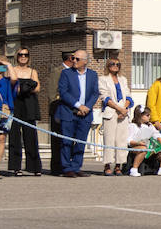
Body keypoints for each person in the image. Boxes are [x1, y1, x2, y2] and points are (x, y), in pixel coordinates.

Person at [55, 49, 101, 177]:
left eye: (77, 59)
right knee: (67, 142)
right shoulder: (66, 73)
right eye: (73, 58)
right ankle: (66, 168)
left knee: (81, 142)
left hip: (85, 114)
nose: (73, 61)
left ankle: (76, 166)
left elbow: (95, 93)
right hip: (69, 112)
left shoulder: (93, 74)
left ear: (85, 61)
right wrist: (78, 105)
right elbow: (63, 92)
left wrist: (86, 107)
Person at [7, 47, 40, 176]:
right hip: (15, 104)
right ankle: (16, 167)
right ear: (17, 56)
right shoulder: (11, 70)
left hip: (29, 104)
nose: (23, 57)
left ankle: (34, 167)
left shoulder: (33, 71)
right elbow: (1, 75)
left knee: (31, 136)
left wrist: (25, 89)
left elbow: (38, 88)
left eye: (25, 55)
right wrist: (5, 64)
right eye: (20, 54)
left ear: (28, 57)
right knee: (15, 136)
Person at [98, 56, 132, 175]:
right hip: (111, 112)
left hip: (123, 113)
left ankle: (118, 165)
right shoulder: (103, 79)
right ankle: (107, 165)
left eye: (118, 64)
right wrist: (118, 108)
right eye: (112, 63)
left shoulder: (123, 79)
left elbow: (128, 95)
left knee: (121, 140)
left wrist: (124, 109)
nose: (115, 66)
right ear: (108, 65)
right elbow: (104, 96)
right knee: (109, 140)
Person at [126, 106, 161, 176]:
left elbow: (157, 135)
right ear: (140, 115)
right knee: (143, 149)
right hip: (136, 147)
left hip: (148, 146)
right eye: (147, 115)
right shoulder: (133, 126)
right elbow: (129, 140)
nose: (149, 117)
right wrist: (138, 143)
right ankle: (134, 169)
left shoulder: (150, 126)